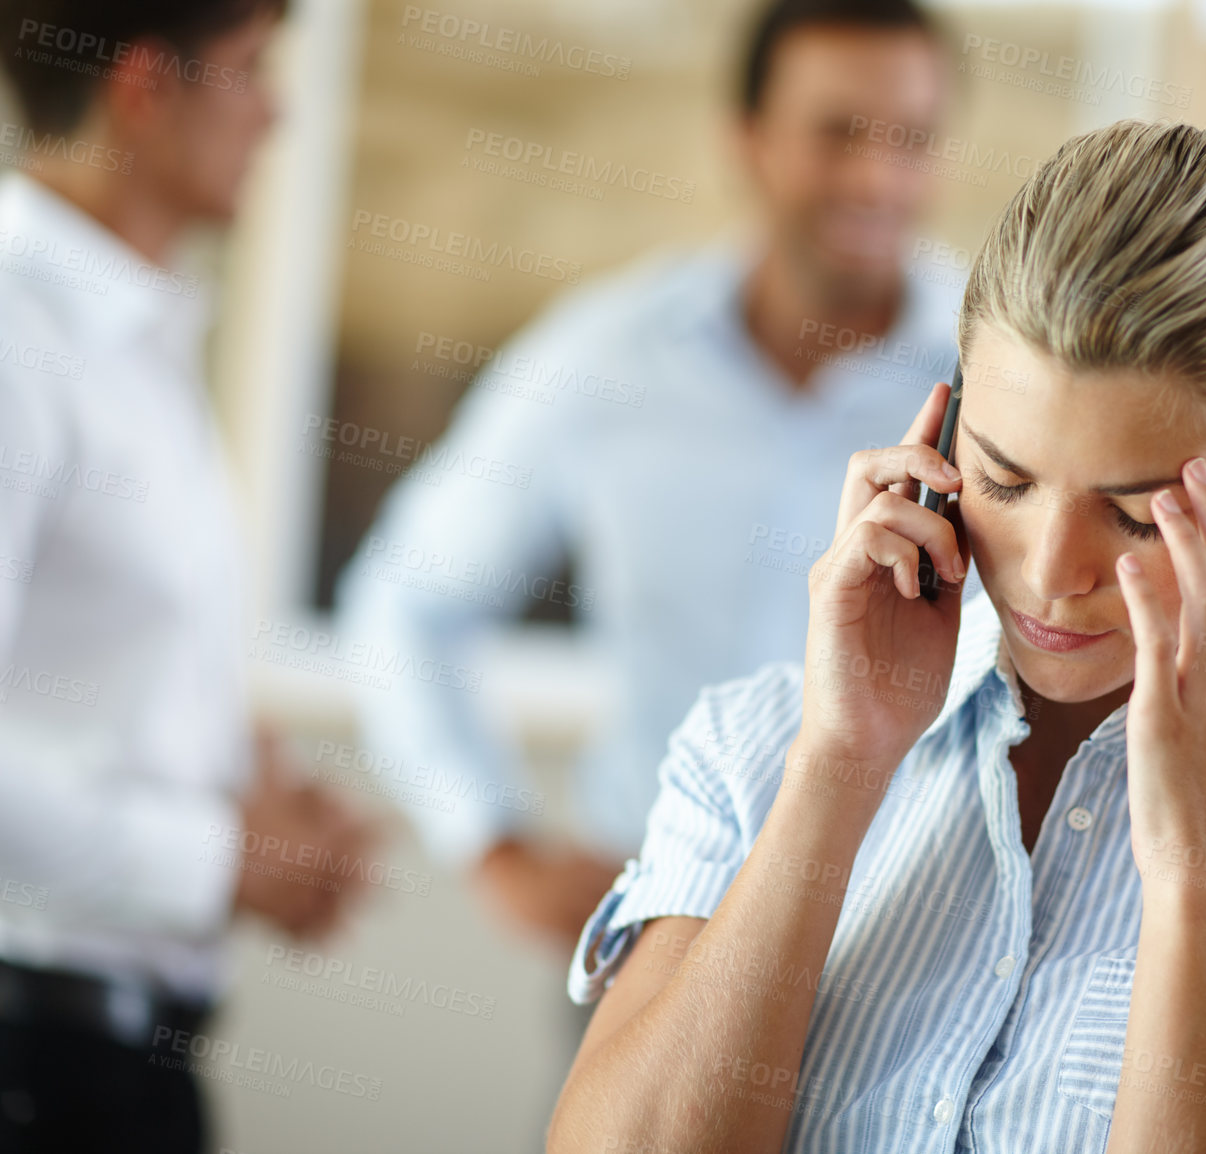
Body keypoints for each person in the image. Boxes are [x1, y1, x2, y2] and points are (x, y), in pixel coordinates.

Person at [548, 120, 1206, 1154]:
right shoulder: (749, 753)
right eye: (1004, 478)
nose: (1051, 571)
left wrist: (1197, 872)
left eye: (1138, 512)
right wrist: (839, 767)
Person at [333, 0, 960, 953]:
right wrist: (494, 843)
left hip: (911, 954)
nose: (877, 177)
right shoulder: (606, 357)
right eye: (838, 134)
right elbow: (405, 600)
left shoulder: (1003, 378)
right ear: (748, 141)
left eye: (910, 140)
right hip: (651, 940)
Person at [0, 2, 377, 1150]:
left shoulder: (133, 336)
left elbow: (86, 675)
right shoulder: (19, 335)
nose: (278, 112)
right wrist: (224, 860)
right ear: (146, 86)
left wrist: (247, 785)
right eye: (251, 70)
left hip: (120, 1062)